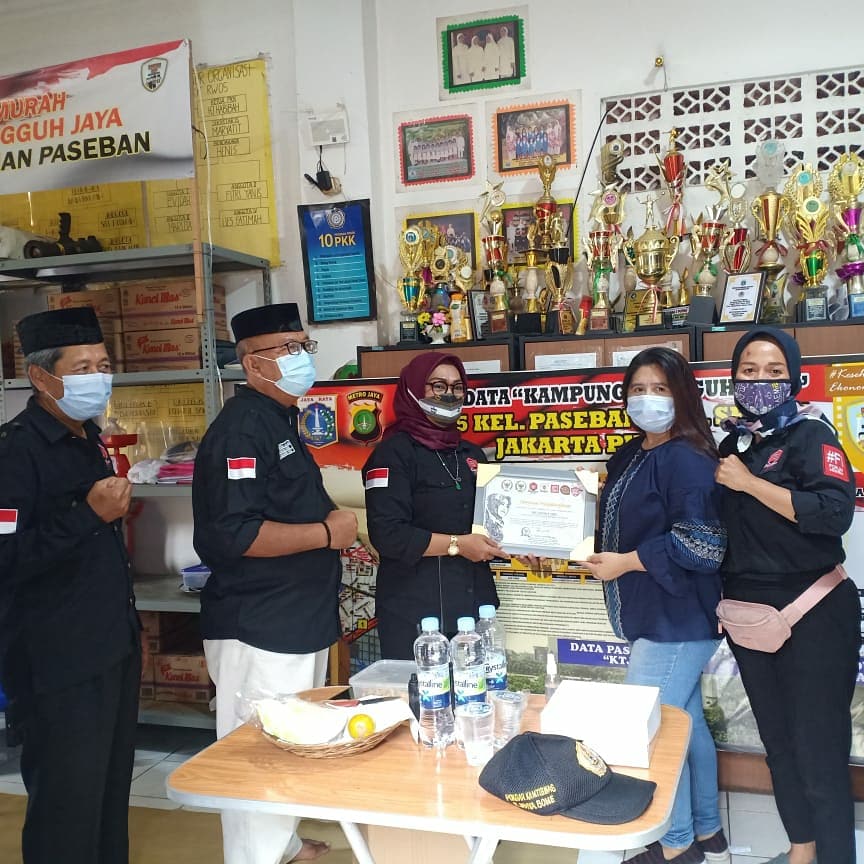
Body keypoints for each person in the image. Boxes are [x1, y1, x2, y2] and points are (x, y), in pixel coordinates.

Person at [193, 302, 357, 864]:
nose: (300, 357)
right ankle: (254, 857)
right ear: (252, 362)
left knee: (285, 742)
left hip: (295, 617)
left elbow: (288, 503)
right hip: (258, 624)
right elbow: (233, 535)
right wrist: (326, 533)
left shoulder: (279, 420)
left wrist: (335, 525)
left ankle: (280, 844)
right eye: (287, 348)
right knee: (254, 750)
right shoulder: (240, 431)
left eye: (303, 346)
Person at [0, 307, 140, 864]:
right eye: (81, 368)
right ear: (41, 376)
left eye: (103, 365)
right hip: (56, 661)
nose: (97, 378)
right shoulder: (16, 451)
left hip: (110, 644)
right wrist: (88, 515)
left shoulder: (88, 438)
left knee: (107, 790)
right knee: (66, 800)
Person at [715, 327, 859, 864]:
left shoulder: (811, 435)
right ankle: (802, 848)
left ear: (794, 378)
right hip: (751, 618)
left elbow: (834, 514)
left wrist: (750, 484)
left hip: (815, 612)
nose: (760, 381)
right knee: (778, 745)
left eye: (774, 371)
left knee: (820, 754)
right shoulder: (733, 445)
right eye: (748, 371)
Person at [583, 347, 728, 864]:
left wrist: (624, 563)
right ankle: (706, 831)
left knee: (651, 729)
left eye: (660, 389)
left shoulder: (686, 457)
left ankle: (676, 843)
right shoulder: (634, 452)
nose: (648, 399)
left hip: (678, 619)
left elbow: (702, 545)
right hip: (660, 615)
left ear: (682, 395)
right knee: (684, 723)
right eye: (638, 389)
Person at [363, 353, 503, 660]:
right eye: (438, 386)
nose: (449, 394)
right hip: (415, 616)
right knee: (420, 692)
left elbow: (495, 522)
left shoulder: (472, 454)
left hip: (474, 610)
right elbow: (388, 535)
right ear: (413, 389)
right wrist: (458, 545)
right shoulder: (392, 454)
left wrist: (526, 544)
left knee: (477, 688)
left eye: (457, 387)